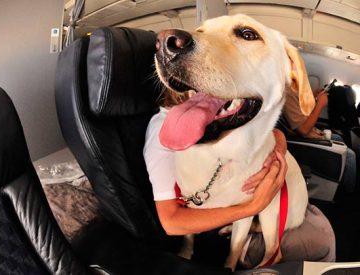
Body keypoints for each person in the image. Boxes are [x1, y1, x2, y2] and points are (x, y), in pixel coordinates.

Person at [143, 92, 335, 268]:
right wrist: (253, 207)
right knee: (323, 242)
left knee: (318, 222)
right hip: (229, 217)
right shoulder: (167, 134)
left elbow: (263, 133)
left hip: (251, 205)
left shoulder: (214, 116)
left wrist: (279, 140)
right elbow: (171, 221)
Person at [283, 86, 357, 192]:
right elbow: (303, 130)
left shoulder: (294, 92)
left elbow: (303, 116)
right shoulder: (288, 93)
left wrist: (313, 98)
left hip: (313, 133)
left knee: (338, 138)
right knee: (350, 156)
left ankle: (341, 181)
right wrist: (320, 105)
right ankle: (348, 197)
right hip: (305, 140)